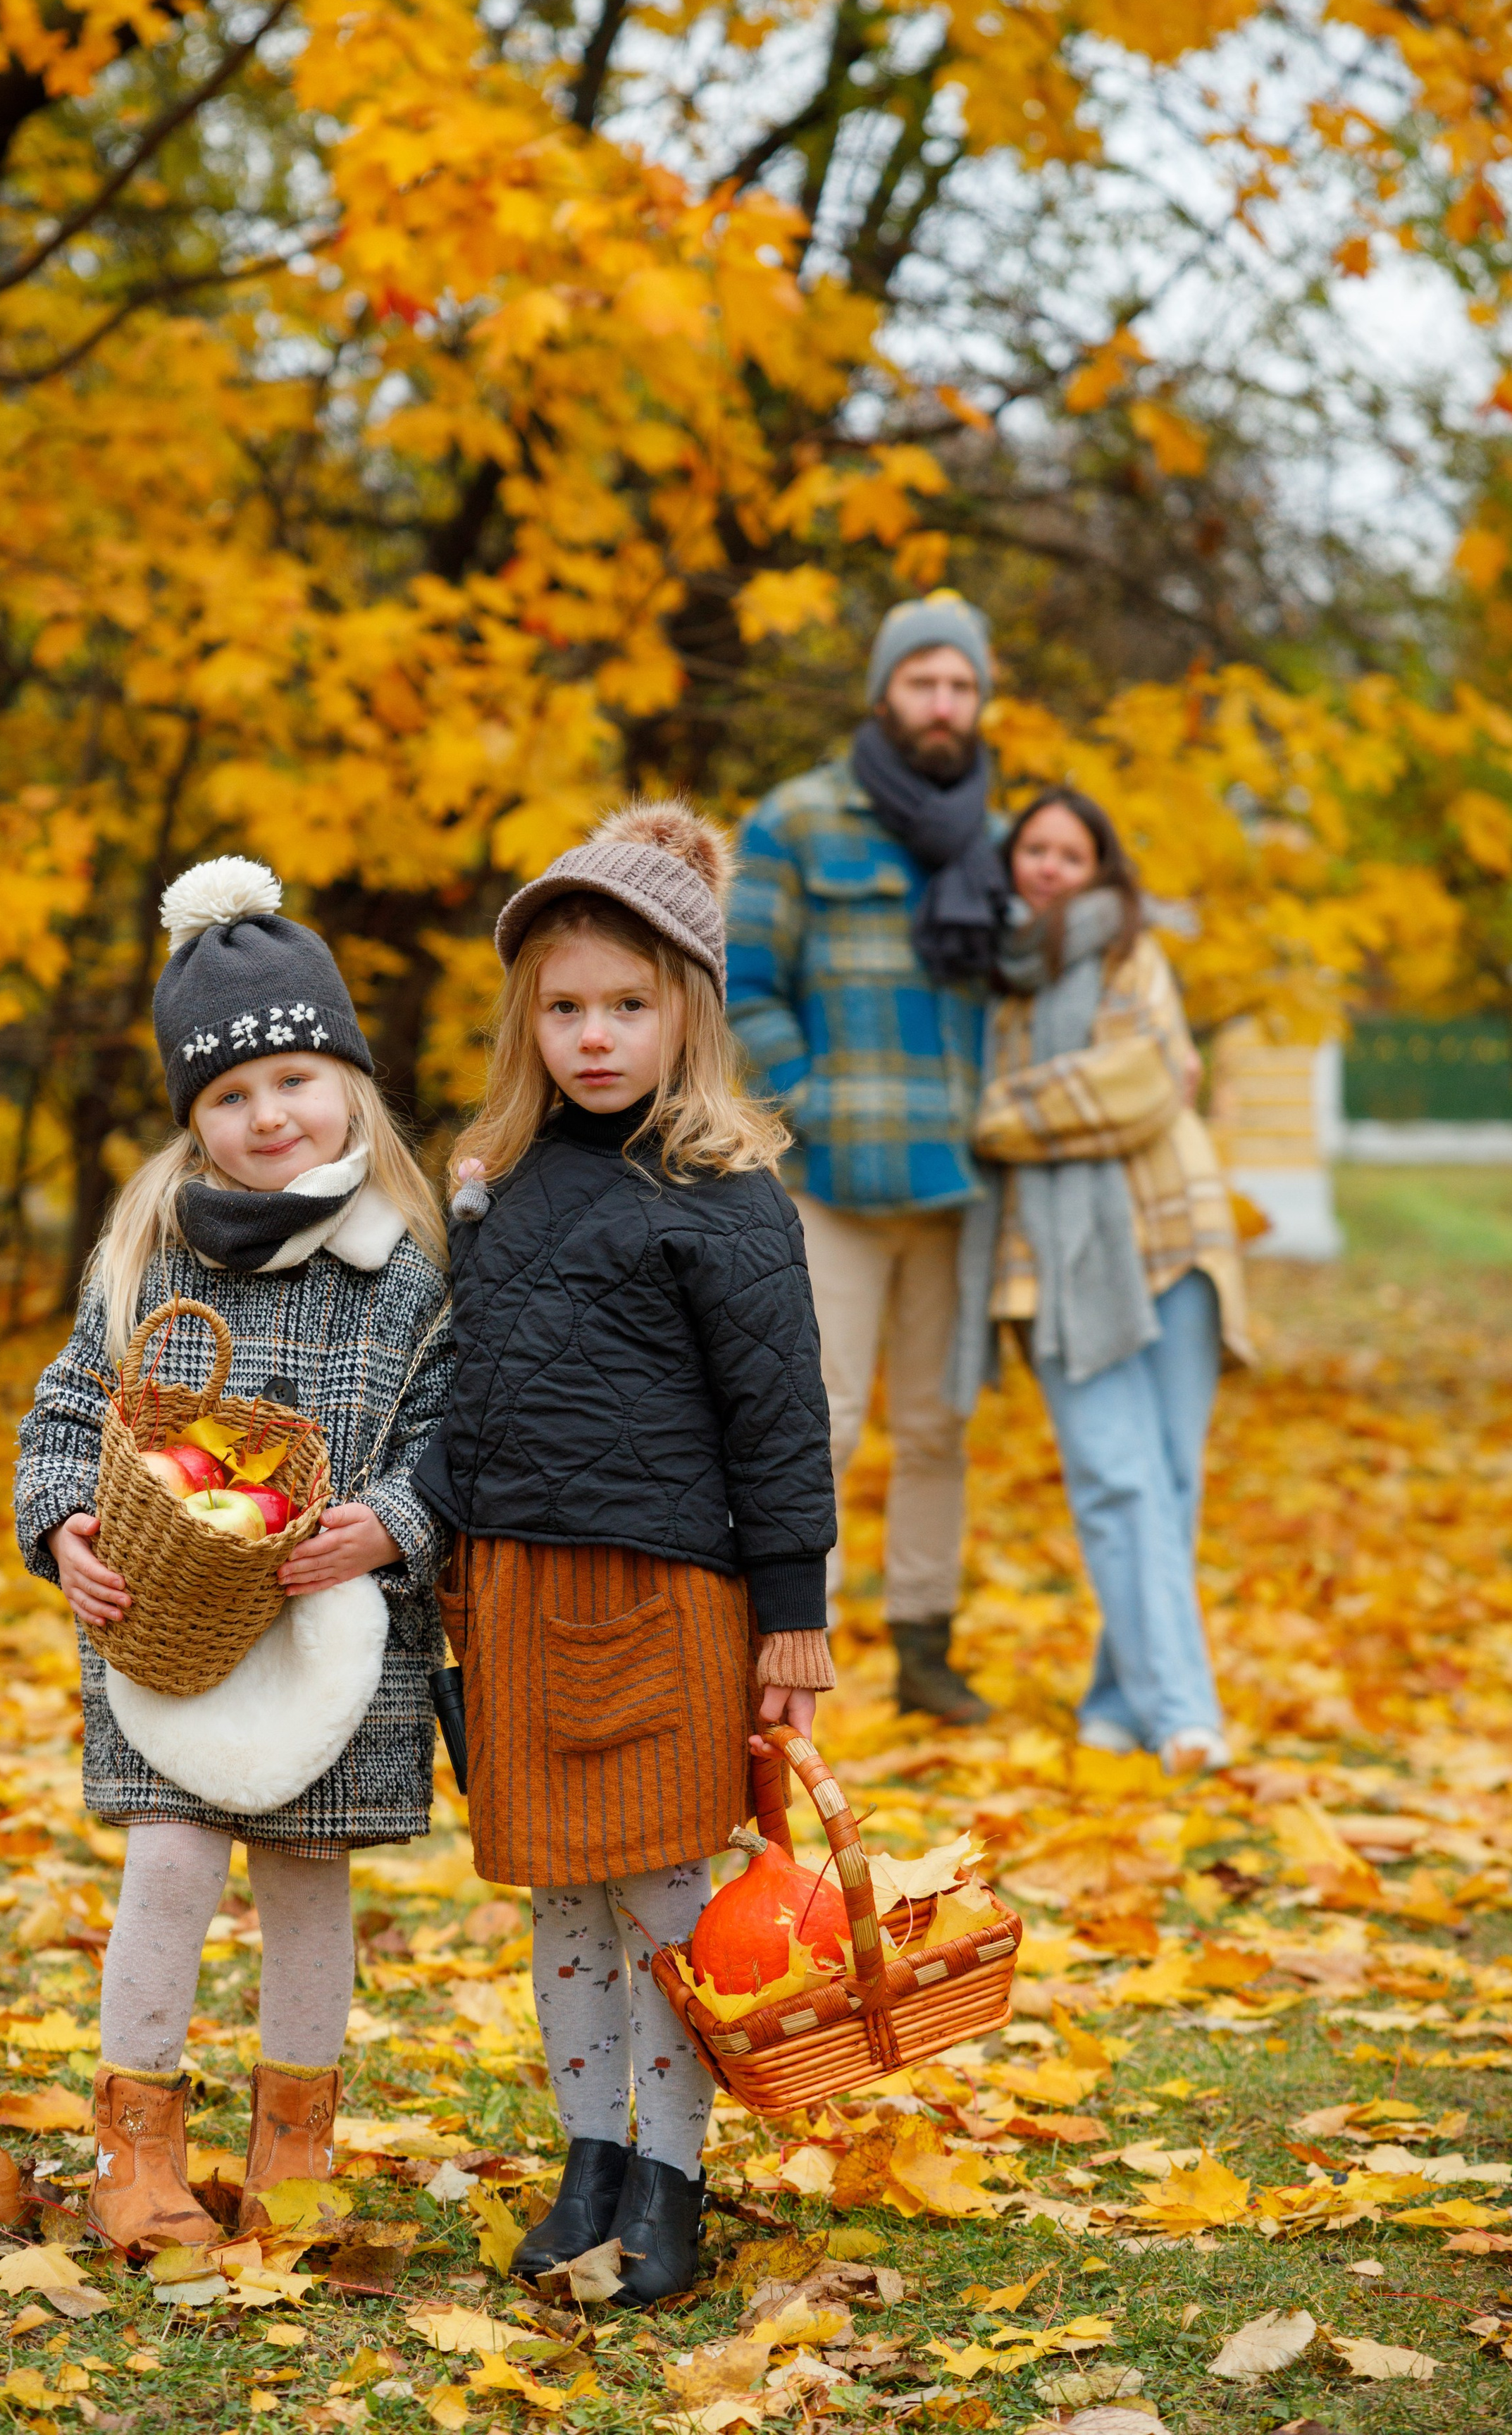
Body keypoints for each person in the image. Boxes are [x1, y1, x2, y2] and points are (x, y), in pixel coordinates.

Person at [416, 800, 838, 2305]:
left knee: (664, 1899)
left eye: (628, 1006)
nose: (593, 1036)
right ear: (527, 1020)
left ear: (689, 1015)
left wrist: (792, 1621)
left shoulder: (724, 1198)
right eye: (564, 1007)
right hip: (519, 1595)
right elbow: (459, 1388)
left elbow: (780, 1418)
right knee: (560, 1897)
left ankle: (669, 2175)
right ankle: (585, 2153)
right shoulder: (496, 1184)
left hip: (664, 1595)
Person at [15, 856, 452, 2250]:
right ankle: (133, 2145)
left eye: (293, 1081)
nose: (267, 1116)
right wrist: (66, 1525)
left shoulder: (407, 1269)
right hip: (173, 1628)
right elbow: (70, 1412)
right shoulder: (154, 1254)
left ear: (349, 1084)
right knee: (170, 1863)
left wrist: (394, 1522)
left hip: (337, 1631)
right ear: (194, 1118)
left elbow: (454, 1436)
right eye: (228, 1096)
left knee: (309, 1890)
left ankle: (293, 2152)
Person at [726, 590, 1003, 1725]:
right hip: (832, 1178)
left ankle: (929, 1651)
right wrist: (818, 1104)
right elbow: (743, 991)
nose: (942, 704)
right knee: (823, 1421)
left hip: (963, 1182)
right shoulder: (797, 820)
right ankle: (807, 1664)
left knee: (941, 1421)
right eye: (923, 681)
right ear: (884, 691)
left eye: (962, 686)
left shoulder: (995, 837)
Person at [953, 787, 1251, 1775]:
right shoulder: (990, 980)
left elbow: (1147, 1085)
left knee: (1167, 1481)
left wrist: (1006, 1111)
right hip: (1047, 1263)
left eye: (1070, 854)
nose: (1048, 866)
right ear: (1009, 862)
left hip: (1175, 1235)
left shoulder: (1133, 950)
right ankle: (1184, 1715)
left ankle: (1120, 1700)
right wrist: (1052, 1102)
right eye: (1033, 848)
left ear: (1099, 869)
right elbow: (1109, 1091)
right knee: (1114, 1479)